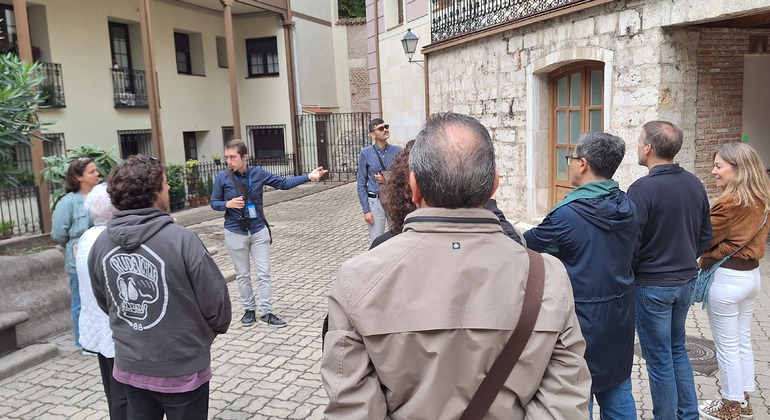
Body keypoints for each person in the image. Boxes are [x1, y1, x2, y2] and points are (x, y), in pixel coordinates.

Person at [322, 112, 591, 418]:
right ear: (494, 186)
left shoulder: (357, 278)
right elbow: (563, 406)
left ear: (414, 186)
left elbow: (353, 409)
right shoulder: (547, 277)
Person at [88, 155, 231, 420]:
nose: (169, 189)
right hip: (182, 369)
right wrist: (199, 338)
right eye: (165, 184)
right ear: (153, 193)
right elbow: (217, 305)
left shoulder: (101, 244)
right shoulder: (183, 240)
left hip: (130, 366)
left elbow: (106, 302)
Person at [523, 132, 637, 419]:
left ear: (583, 164)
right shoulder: (628, 205)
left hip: (581, 317)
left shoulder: (566, 215)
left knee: (577, 393)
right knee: (618, 387)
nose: (569, 164)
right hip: (621, 312)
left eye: (571, 159)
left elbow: (529, 245)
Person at [627, 120, 712, 420]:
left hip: (653, 286)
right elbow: (705, 235)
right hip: (686, 281)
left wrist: (635, 271)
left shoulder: (642, 189)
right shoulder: (694, 184)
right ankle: (688, 414)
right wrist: (686, 258)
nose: (637, 146)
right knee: (676, 349)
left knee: (660, 357)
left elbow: (630, 242)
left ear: (648, 148)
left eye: (639, 141)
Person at [211, 139, 328, 328]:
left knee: (263, 273)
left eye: (232, 157)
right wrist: (227, 204)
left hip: (258, 230)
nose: (229, 161)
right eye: (226, 157)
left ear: (244, 157)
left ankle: (266, 312)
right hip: (235, 231)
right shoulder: (222, 178)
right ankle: (249, 310)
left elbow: (283, 183)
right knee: (242, 274)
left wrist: (309, 176)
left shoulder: (258, 174)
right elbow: (214, 202)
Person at [697, 143, 770, 420]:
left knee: (726, 346)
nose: (713, 171)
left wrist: (705, 255)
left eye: (719, 166)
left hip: (727, 279)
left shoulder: (730, 202)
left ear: (738, 170)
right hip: (751, 277)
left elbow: (705, 239)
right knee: (742, 341)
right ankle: (743, 401)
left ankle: (730, 406)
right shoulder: (761, 198)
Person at [75, 183, 127, 419]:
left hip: (95, 324)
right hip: (112, 327)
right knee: (123, 394)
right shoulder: (109, 240)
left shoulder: (87, 236)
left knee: (112, 390)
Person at [51, 157, 100, 350]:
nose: (97, 174)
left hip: (99, 257)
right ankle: (83, 343)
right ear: (79, 177)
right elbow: (58, 234)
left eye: (96, 170)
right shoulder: (68, 202)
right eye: (91, 171)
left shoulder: (100, 197)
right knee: (80, 302)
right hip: (77, 261)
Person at [356, 118, 403, 241]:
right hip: (375, 201)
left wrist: (387, 179)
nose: (385, 130)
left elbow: (403, 176)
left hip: (393, 199)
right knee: (377, 240)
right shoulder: (365, 153)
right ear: (373, 134)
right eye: (381, 128)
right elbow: (361, 183)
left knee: (397, 238)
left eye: (386, 127)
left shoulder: (398, 151)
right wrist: (366, 210)